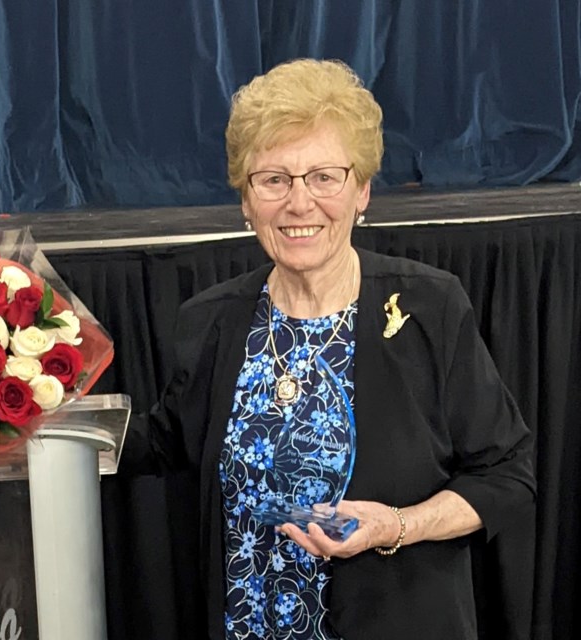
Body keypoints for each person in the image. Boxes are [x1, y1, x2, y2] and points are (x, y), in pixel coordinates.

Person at [124, 58, 535, 640]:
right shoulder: (212, 320)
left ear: (362, 191)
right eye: (273, 179)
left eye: (324, 176)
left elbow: (507, 478)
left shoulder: (428, 307)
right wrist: (35, 414)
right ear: (246, 201)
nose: (299, 203)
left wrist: (397, 525)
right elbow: (168, 439)